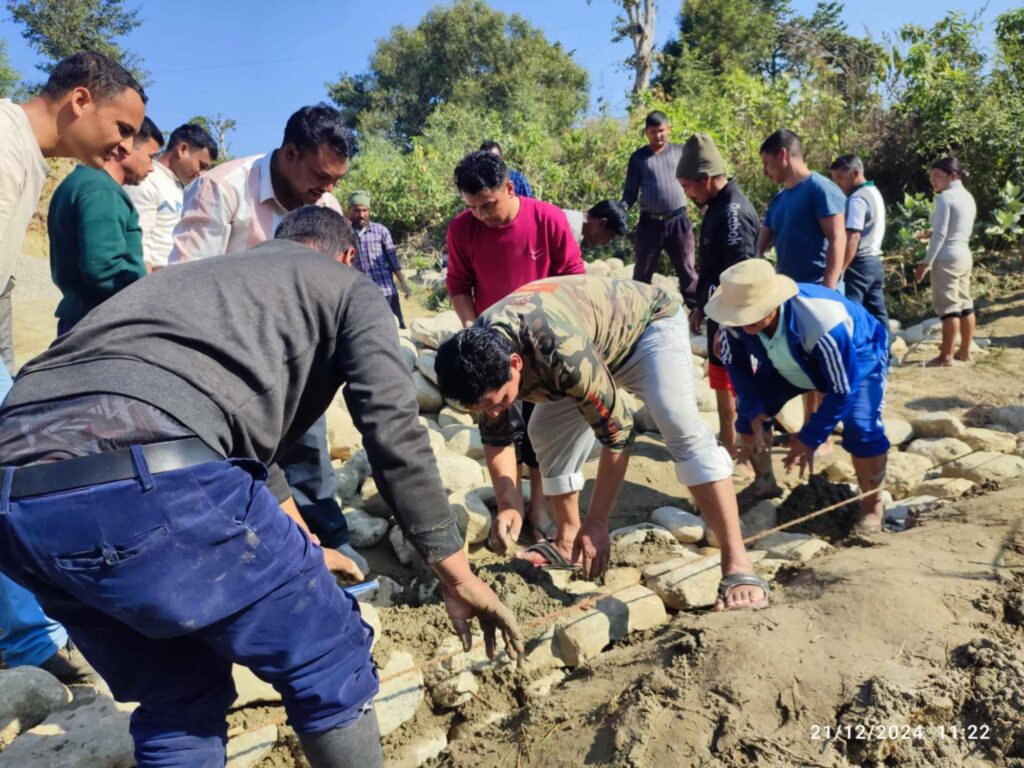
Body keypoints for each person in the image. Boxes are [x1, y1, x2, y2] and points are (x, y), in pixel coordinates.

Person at [0, 206, 522, 768]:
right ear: (347, 256)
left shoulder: (205, 280)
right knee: (328, 651)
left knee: (177, 695)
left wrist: (304, 547)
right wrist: (456, 572)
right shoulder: (348, 289)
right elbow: (392, 432)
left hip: (17, 501)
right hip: (149, 472)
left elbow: (242, 448)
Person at [434, 275, 769, 611]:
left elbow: (619, 433)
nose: (493, 411)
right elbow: (496, 434)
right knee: (545, 434)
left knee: (677, 424)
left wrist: (598, 522)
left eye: (499, 400)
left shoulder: (558, 350)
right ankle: (566, 539)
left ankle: (737, 562)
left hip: (645, 331)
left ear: (515, 364)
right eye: (483, 407)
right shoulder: (475, 360)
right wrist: (509, 504)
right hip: (587, 352)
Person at [0, 50, 146, 686]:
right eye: (121, 128)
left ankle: (34, 637)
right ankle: (32, 644)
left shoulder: (29, 162)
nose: (123, 144)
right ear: (81, 101)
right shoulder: (6, 152)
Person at [167, 103, 365, 571]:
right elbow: (186, 282)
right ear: (290, 153)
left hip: (294, 354)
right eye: (321, 175)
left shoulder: (326, 206)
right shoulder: (222, 190)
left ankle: (328, 538)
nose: (329, 189)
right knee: (233, 460)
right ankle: (256, 549)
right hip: (226, 353)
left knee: (308, 448)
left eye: (337, 179)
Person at [446, 150, 585, 551]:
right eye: (472, 207)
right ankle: (512, 506)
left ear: (509, 188)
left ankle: (539, 509)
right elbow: (458, 285)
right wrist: (475, 331)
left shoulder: (548, 219)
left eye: (488, 204)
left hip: (545, 344)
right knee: (499, 424)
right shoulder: (462, 230)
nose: (482, 215)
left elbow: (573, 279)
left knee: (543, 433)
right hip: (493, 346)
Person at [709, 259, 890, 533]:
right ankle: (764, 481)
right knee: (748, 416)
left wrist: (810, 438)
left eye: (753, 314)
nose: (744, 323)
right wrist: (755, 408)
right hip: (785, 363)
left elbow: (842, 389)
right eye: (740, 316)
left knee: (862, 429)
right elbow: (737, 367)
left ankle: (872, 507)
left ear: (773, 303)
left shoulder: (821, 322)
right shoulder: (732, 318)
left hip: (859, 357)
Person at [758, 129, 848, 460]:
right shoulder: (780, 200)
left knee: (824, 367)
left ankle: (820, 433)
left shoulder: (821, 189)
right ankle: (808, 427)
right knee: (801, 364)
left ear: (784, 155)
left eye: (768, 162)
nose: (766, 171)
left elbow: (837, 237)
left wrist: (829, 287)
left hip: (818, 292)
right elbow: (763, 242)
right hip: (788, 294)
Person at [675, 133, 759, 475]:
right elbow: (710, 267)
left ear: (706, 179)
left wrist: (725, 320)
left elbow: (740, 272)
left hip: (736, 314)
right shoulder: (715, 208)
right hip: (717, 310)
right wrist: (699, 306)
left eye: (688, 187)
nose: (687, 194)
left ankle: (747, 451)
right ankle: (728, 438)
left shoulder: (733, 213)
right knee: (721, 375)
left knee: (739, 379)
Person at [49, 116, 164, 334]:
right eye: (151, 157)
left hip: (83, 318)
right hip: (97, 323)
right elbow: (102, 268)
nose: (152, 168)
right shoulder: (102, 190)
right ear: (125, 147)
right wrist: (144, 301)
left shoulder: (83, 182)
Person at [622, 111, 698, 308]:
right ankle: (636, 312)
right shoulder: (638, 158)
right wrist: (621, 209)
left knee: (687, 270)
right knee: (642, 273)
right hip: (649, 223)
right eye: (654, 132)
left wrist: (705, 204)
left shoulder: (681, 152)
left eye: (662, 131)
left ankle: (697, 312)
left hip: (678, 220)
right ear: (647, 132)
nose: (659, 135)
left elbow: (695, 183)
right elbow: (630, 192)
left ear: (669, 129)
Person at [126, 122, 218, 271]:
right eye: (201, 165)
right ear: (182, 149)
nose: (201, 173)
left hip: (171, 280)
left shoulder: (180, 188)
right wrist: (145, 285)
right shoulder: (147, 177)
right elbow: (139, 241)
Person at [914, 156, 978, 367]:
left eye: (938, 176)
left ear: (952, 175)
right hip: (964, 255)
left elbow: (941, 235)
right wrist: (930, 233)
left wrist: (926, 263)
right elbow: (953, 228)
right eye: (931, 176)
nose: (933, 180)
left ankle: (946, 356)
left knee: (949, 307)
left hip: (947, 258)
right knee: (965, 303)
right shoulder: (967, 196)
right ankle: (965, 351)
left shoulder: (945, 198)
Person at [829, 154, 889, 329]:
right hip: (875, 261)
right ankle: (886, 353)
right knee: (877, 311)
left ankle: (855, 352)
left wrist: (841, 267)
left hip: (860, 263)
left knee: (852, 309)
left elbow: (853, 236)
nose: (838, 184)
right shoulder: (874, 192)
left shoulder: (857, 199)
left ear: (855, 173)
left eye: (840, 178)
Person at [347, 190, 411, 327]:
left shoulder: (380, 231)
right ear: (350, 211)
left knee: (396, 329)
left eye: (365, 210)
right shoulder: (345, 233)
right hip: (361, 294)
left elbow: (393, 260)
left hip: (386, 291)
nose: (361, 215)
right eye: (357, 211)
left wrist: (403, 284)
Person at [561, 200, 629, 248]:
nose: (606, 243)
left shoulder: (573, 221)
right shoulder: (572, 231)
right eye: (609, 238)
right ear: (601, 224)